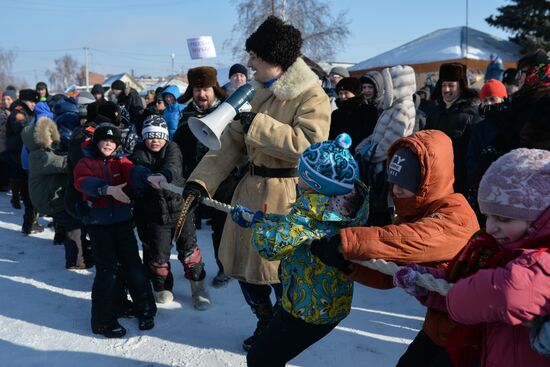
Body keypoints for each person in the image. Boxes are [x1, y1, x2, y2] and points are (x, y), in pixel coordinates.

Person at [183, 16, 331, 351]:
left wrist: (257, 124)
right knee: (244, 272)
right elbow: (231, 145)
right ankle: (265, 320)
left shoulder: (311, 96)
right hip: (249, 194)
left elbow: (309, 145)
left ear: (273, 59)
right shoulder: (259, 93)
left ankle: (279, 330)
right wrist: (200, 182)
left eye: (255, 57)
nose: (249, 63)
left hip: (287, 198)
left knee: (279, 273)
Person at [310, 130, 479, 366]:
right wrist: (347, 265)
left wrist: (347, 242)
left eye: (407, 183)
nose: (396, 190)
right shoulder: (415, 213)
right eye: (394, 182)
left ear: (428, 183)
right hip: (437, 327)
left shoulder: (456, 217)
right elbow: (387, 276)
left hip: (470, 337)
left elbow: (404, 240)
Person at [393, 148, 550, 367]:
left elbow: (505, 293)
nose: (491, 227)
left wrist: (455, 297)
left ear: (539, 218)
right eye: (487, 216)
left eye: (503, 219)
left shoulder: (543, 261)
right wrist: (425, 282)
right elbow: (462, 287)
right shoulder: (489, 248)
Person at [230, 133, 369, 367]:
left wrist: (257, 224)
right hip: (330, 302)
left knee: (260, 358)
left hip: (306, 308)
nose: (296, 176)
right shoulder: (345, 204)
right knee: (269, 356)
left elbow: (270, 246)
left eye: (301, 173)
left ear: (315, 183)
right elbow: (295, 232)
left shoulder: (308, 214)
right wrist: (264, 220)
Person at [73, 123, 157, 338]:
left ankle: (145, 309)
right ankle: (102, 320)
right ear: (96, 142)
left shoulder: (120, 161)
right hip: (98, 225)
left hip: (122, 221)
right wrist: (106, 189)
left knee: (133, 265)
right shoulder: (85, 162)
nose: (109, 144)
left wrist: (148, 177)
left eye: (113, 141)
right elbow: (83, 182)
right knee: (107, 270)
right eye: (105, 140)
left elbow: (134, 171)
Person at [130, 115, 210, 309]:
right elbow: (137, 169)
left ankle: (198, 288)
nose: (155, 140)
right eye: (150, 136)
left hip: (180, 210)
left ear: (165, 136)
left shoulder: (173, 148)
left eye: (159, 136)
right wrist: (147, 176)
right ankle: (162, 287)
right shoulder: (139, 150)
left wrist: (163, 176)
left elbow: (173, 166)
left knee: (189, 251)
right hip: (155, 215)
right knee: (158, 255)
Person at [20, 117, 91, 268]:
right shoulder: (39, 156)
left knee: (67, 215)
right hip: (48, 199)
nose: (52, 139)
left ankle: (61, 239)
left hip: (51, 194)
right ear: (38, 139)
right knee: (74, 224)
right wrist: (79, 156)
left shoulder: (43, 152)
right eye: (48, 136)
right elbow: (63, 164)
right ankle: (76, 261)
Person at [356, 65, 416, 226]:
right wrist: (364, 145)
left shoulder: (402, 109)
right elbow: (377, 135)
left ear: (397, 85)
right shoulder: (393, 107)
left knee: (380, 210)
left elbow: (387, 146)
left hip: (383, 167)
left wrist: (366, 154)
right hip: (379, 166)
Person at [424, 62, 481, 195]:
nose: (446, 90)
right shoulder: (434, 110)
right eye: (444, 85)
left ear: (461, 87)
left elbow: (474, 153)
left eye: (451, 85)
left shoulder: (472, 113)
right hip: (434, 178)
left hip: (459, 181)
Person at [465, 79, 508, 224]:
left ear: (503, 99)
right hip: (481, 187)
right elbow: (471, 158)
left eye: (493, 99)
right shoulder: (478, 128)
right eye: (485, 100)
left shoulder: (511, 125)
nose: (489, 103)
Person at [6, 89, 44, 234]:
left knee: (28, 189)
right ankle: (29, 224)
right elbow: (24, 129)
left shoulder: (26, 111)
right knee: (29, 190)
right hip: (18, 155)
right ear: (24, 100)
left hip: (22, 154)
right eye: (32, 102)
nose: (34, 105)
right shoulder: (19, 113)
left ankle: (30, 221)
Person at [329, 77, 378, 152]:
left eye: (346, 93)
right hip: (338, 154)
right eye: (340, 93)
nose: (342, 96)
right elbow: (331, 136)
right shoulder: (336, 114)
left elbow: (371, 136)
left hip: (361, 154)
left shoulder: (369, 111)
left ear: (356, 93)